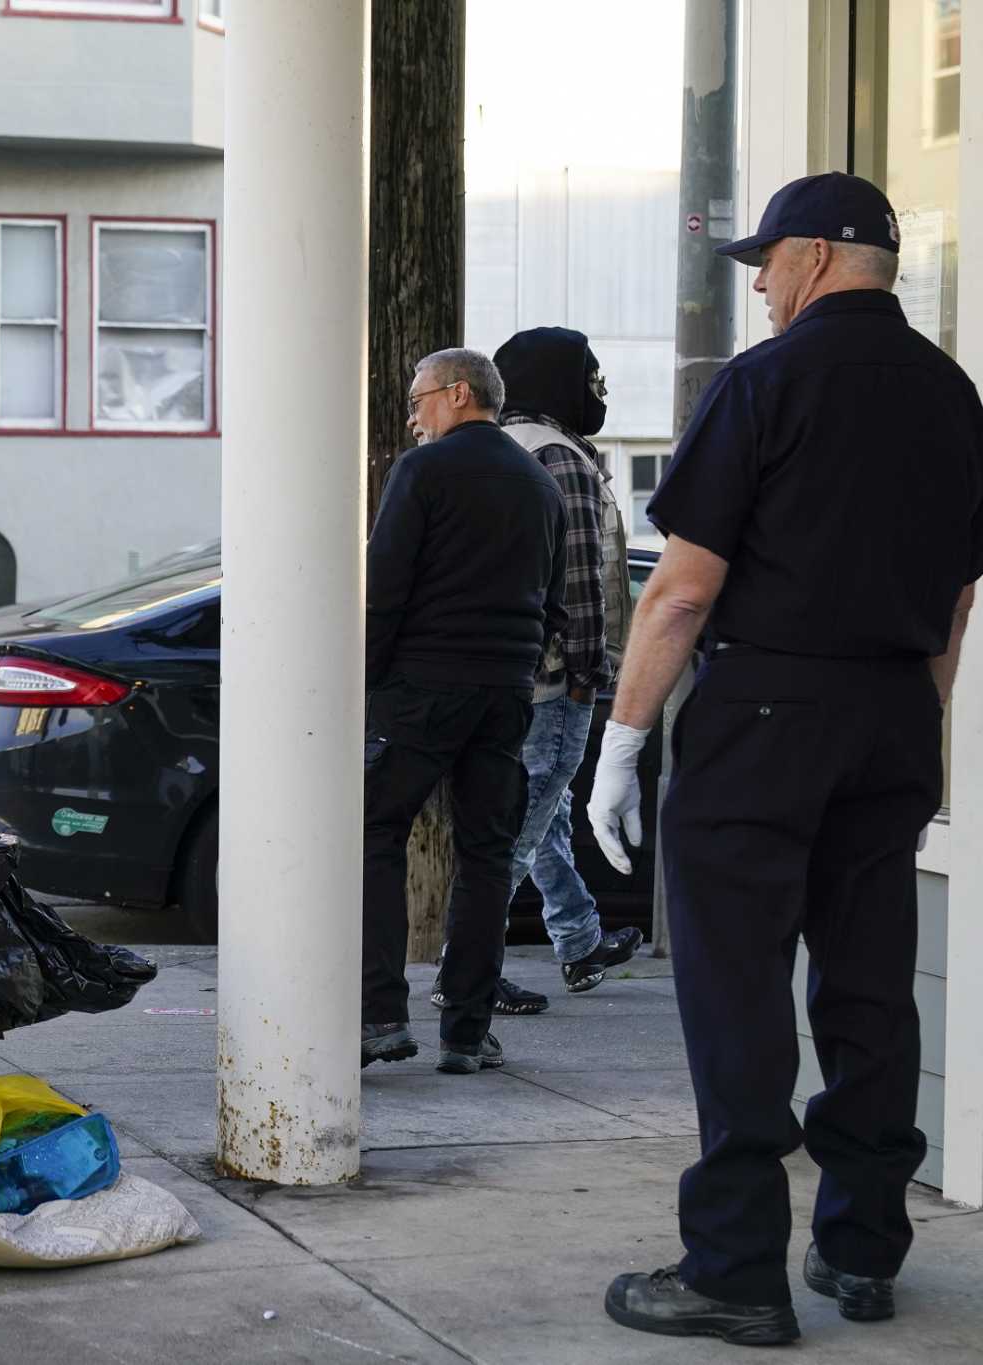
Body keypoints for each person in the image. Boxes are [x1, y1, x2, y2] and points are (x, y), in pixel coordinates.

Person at [591, 173, 983, 1346]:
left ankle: (733, 1268)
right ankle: (860, 1251)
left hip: (764, 710)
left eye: (766, 261)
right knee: (868, 986)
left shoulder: (763, 382)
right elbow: (956, 595)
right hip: (891, 708)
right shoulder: (952, 393)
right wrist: (920, 721)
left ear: (816, 257)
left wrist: (618, 745)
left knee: (735, 989)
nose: (757, 283)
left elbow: (679, 592)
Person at [362, 348, 567, 1075]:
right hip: (505, 692)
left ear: (456, 393)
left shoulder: (423, 471)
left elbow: (385, 585)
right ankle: (466, 1028)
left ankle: (380, 1013)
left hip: (422, 687)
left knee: (373, 833)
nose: (412, 415)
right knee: (486, 853)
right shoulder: (540, 484)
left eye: (418, 398)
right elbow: (553, 597)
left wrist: (367, 678)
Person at [430, 328, 642, 1018]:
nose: (599, 391)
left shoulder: (472, 450)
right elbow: (580, 579)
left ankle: (578, 941)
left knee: (531, 812)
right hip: (551, 679)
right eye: (591, 377)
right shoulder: (564, 459)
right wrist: (588, 672)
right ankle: (466, 974)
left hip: (481, 671)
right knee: (520, 824)